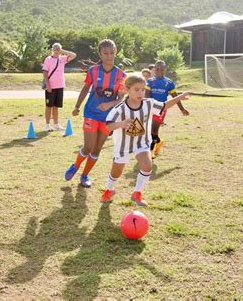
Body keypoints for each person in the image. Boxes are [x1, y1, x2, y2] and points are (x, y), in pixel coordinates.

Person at [100, 74, 191, 206]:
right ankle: (109, 190)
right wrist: (121, 124)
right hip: (123, 145)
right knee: (116, 172)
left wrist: (180, 97)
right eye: (136, 90)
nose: (141, 92)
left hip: (141, 142)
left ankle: (137, 193)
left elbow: (164, 106)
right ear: (127, 90)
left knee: (147, 166)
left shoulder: (149, 103)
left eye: (143, 89)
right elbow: (108, 125)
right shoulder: (120, 108)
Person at [65, 39, 126, 187]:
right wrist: (77, 106)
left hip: (109, 117)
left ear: (116, 52)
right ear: (100, 53)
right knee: (88, 146)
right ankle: (75, 165)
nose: (109, 56)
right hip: (91, 113)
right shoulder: (93, 70)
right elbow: (86, 88)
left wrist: (109, 104)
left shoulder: (121, 75)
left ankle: (85, 175)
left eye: (112, 52)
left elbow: (121, 97)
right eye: (105, 53)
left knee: (98, 148)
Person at [146, 60, 189, 157]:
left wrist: (182, 109)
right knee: (148, 131)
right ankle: (159, 142)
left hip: (162, 109)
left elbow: (175, 97)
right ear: (154, 70)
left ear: (165, 70)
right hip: (150, 108)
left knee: (153, 130)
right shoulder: (150, 81)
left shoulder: (169, 82)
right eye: (157, 69)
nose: (159, 71)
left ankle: (150, 152)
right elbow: (146, 95)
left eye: (161, 69)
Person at [42, 43, 77, 132]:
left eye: (58, 49)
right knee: (49, 106)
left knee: (56, 106)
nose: (57, 50)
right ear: (52, 49)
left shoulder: (63, 59)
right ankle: (47, 125)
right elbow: (45, 72)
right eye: (55, 48)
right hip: (51, 86)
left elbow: (73, 55)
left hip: (60, 86)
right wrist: (48, 85)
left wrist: (62, 51)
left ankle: (56, 124)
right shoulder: (48, 59)